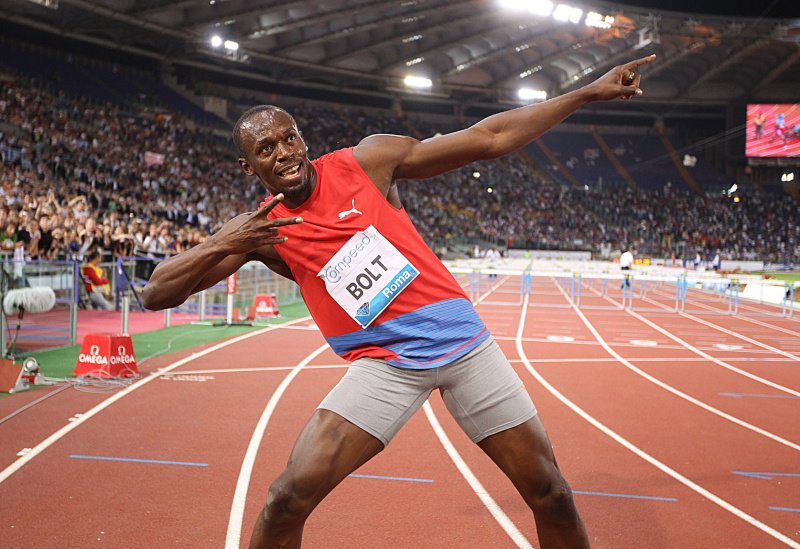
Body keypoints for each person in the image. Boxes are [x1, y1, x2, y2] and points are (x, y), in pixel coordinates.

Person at [142, 53, 656, 548]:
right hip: (384, 366)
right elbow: (155, 294)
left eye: (288, 137)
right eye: (266, 150)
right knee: (285, 499)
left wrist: (588, 93)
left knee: (552, 494)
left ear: (301, 137)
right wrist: (224, 241)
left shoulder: (369, 161)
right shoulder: (261, 230)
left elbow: (488, 138)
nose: (284, 153)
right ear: (248, 166)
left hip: (465, 348)